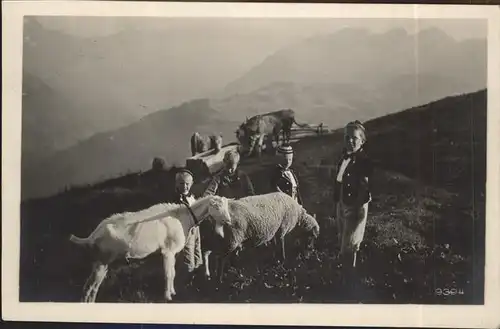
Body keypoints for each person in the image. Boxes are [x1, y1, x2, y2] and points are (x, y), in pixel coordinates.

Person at [332, 120, 374, 278]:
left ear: (362, 141)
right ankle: (349, 272)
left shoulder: (363, 161)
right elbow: (339, 180)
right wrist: (338, 200)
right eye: (347, 137)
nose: (350, 141)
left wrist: (357, 207)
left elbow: (366, 185)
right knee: (343, 236)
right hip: (343, 202)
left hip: (355, 205)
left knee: (349, 243)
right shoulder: (344, 159)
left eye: (354, 138)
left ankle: (348, 276)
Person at [165, 168, 203, 278]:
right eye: (181, 183)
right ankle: (187, 278)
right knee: (188, 255)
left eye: (187, 184)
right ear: (176, 184)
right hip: (184, 230)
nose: (184, 186)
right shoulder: (174, 199)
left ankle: (198, 275)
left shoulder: (192, 196)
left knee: (197, 251)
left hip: (196, 229)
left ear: (192, 184)